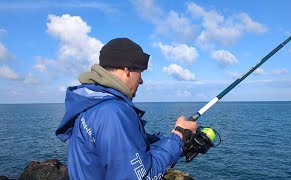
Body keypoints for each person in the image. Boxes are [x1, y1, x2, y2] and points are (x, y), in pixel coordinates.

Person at [55, 37, 197, 179]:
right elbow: (144, 176)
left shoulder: (92, 103)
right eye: (140, 72)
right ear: (127, 70)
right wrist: (179, 134)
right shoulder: (112, 113)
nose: (141, 80)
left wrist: (175, 143)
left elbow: (132, 146)